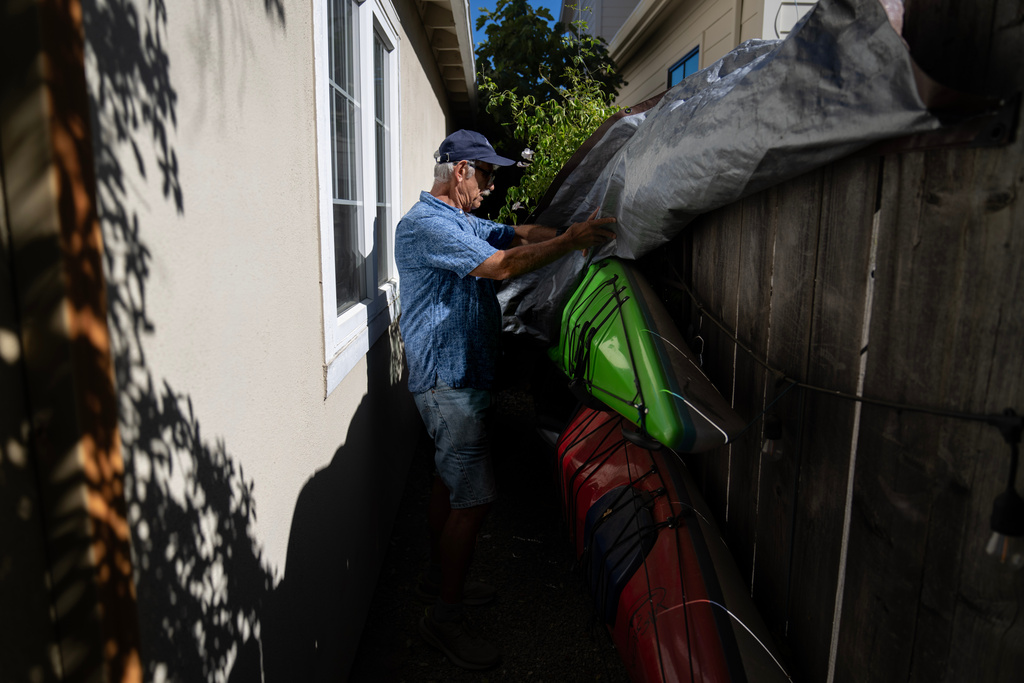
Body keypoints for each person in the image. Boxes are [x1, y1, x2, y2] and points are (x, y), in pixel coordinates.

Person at [394, 129, 616, 670]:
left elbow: (513, 235)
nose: (492, 187)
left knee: (448, 482)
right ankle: (443, 618)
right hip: (448, 381)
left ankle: (434, 580)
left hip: (458, 378)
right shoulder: (427, 225)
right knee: (475, 498)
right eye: (488, 174)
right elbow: (501, 265)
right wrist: (569, 244)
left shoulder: (456, 220)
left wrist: (568, 230)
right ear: (462, 170)